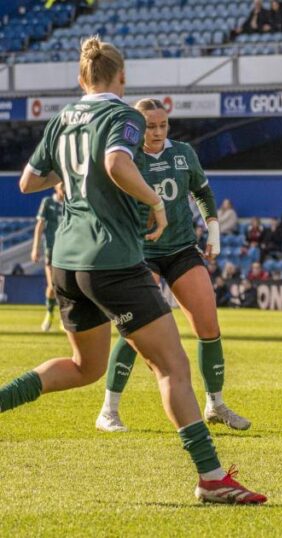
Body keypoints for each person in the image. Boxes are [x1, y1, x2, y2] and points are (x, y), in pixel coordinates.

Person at [1, 37, 264, 503]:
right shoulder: (124, 115)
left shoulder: (62, 119)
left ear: (82, 79)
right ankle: (211, 478)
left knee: (86, 367)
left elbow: (27, 182)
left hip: (67, 261)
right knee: (172, 367)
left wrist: (74, 175)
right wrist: (155, 201)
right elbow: (117, 161)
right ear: (121, 78)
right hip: (113, 260)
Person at [96, 97, 251, 434]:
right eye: (149, 125)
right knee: (137, 330)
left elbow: (203, 192)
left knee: (208, 324)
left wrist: (213, 231)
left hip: (181, 248)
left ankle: (215, 404)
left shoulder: (183, 153)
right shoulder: (124, 156)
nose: (157, 131)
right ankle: (109, 410)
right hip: (140, 251)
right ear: (136, 127)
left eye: (162, 125)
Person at [31, 183, 64, 332]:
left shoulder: (72, 202)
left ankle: (65, 318)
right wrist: (35, 248)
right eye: (61, 185)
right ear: (56, 187)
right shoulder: (48, 202)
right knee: (53, 285)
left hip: (68, 250)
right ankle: (49, 313)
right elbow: (40, 225)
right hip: (51, 249)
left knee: (66, 286)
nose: (64, 188)